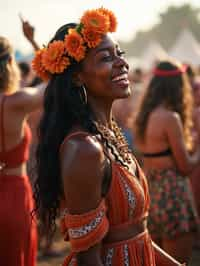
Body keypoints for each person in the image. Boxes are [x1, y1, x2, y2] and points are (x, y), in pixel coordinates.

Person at [34, 8, 184, 265]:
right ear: (77, 77)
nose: (122, 63)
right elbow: (89, 258)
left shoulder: (109, 134)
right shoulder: (83, 149)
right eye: (106, 57)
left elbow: (137, 235)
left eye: (120, 54)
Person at [133, 60, 200, 264]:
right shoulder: (171, 118)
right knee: (178, 261)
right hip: (173, 193)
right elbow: (186, 166)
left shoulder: (143, 117)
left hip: (151, 192)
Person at [0, 36, 45, 266]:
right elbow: (54, 81)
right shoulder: (15, 103)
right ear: (9, 64)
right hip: (14, 195)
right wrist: (34, 41)